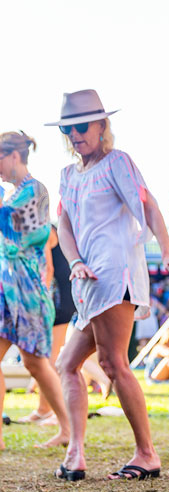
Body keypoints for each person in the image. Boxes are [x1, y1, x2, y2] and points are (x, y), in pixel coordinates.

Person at [47, 89, 169, 481]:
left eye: (81, 126)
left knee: (113, 363)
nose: (74, 135)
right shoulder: (67, 175)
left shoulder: (118, 163)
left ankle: (146, 454)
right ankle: (75, 454)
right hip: (86, 281)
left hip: (115, 275)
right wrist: (74, 261)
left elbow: (148, 206)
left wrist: (167, 249)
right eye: (67, 128)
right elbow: (64, 224)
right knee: (67, 364)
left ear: (101, 126)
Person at [0, 132, 71, 450]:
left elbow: (20, 228)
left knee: (36, 363)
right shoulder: (11, 192)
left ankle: (67, 428)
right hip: (7, 288)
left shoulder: (34, 189)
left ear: (14, 156)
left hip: (29, 290)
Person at [18, 225, 77, 426]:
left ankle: (54, 412)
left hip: (55, 296)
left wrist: (40, 300)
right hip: (53, 295)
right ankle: (44, 409)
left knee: (50, 357)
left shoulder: (43, 229)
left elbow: (47, 268)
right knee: (46, 355)